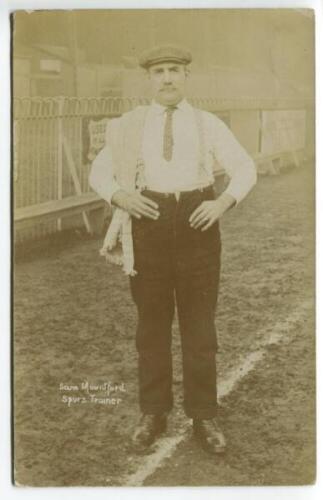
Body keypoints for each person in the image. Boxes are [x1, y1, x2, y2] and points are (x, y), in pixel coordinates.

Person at [89, 44, 257, 454]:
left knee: (200, 327)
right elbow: (99, 171)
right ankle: (154, 412)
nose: (167, 78)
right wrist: (120, 197)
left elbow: (245, 167)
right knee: (151, 325)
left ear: (186, 77)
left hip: (197, 223)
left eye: (175, 70)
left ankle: (204, 415)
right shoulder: (132, 125)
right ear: (149, 79)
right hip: (149, 222)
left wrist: (221, 202)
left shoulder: (208, 123)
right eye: (160, 71)